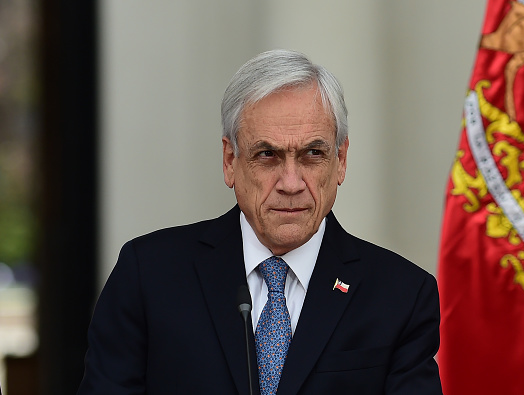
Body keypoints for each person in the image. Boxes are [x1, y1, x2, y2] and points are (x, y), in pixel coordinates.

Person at [77, 49, 442, 395]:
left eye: (313, 154)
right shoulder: (149, 275)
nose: (291, 183)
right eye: (267, 155)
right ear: (230, 160)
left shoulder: (402, 296)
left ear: (341, 161)